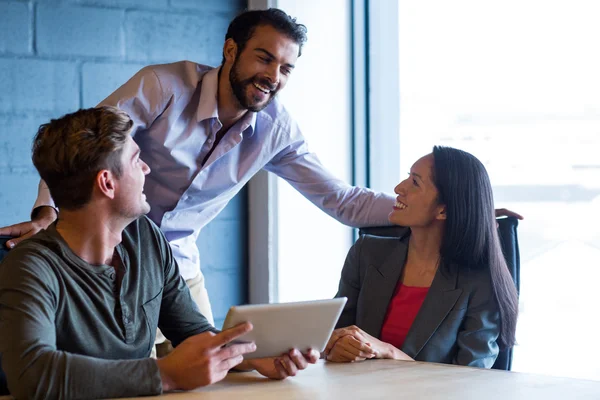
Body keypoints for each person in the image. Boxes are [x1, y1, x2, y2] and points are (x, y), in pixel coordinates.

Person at [0, 9, 520, 332]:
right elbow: (86, 142)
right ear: (231, 51)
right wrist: (47, 212)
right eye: (264, 59)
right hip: (106, 256)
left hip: (178, 266)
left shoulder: (277, 129)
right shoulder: (163, 86)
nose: (272, 76)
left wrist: (444, 208)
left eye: (286, 68)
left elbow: (343, 201)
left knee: (209, 371)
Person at [0, 107, 319, 400]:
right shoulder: (30, 267)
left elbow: (193, 333)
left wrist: (252, 356)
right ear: (107, 183)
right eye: (136, 159)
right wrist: (164, 374)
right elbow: (32, 375)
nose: (146, 168)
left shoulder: (146, 237)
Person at [324, 146, 519, 368]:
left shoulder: (480, 281)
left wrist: (388, 351)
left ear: (443, 211)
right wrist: (336, 346)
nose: (398, 188)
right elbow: (332, 334)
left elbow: (470, 379)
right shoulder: (366, 253)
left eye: (415, 182)